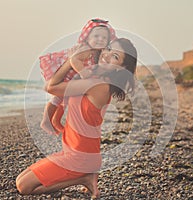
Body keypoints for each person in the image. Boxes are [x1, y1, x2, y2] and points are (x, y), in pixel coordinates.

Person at [16, 38, 137, 198]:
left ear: (121, 68)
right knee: (20, 178)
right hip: (73, 153)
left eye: (115, 57)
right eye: (108, 49)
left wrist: (71, 61)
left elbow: (51, 87)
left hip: (80, 158)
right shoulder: (93, 78)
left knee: (24, 187)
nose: (106, 55)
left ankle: (84, 178)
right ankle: (85, 176)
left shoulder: (98, 85)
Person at [40, 18, 116, 135]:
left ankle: (56, 121)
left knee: (64, 100)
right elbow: (74, 60)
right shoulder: (86, 49)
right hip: (65, 75)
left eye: (104, 38)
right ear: (87, 37)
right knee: (57, 98)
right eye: (96, 36)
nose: (100, 40)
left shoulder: (97, 52)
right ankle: (46, 120)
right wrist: (83, 73)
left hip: (71, 77)